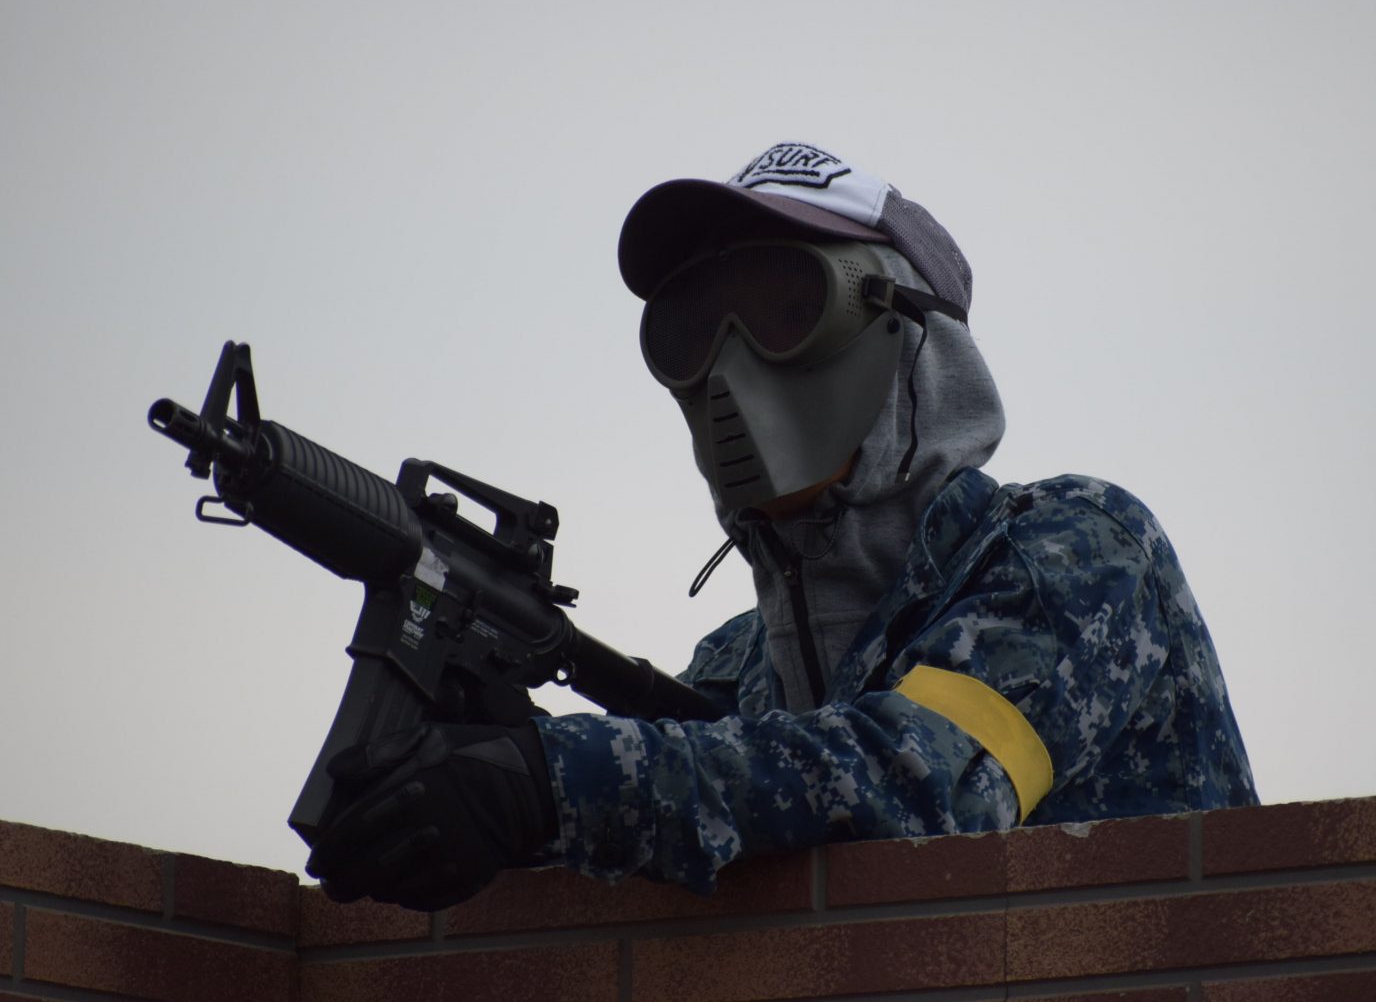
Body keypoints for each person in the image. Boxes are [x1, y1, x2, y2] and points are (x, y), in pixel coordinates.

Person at [306, 142, 1258, 910]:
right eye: (693, 329)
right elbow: (696, 817)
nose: (730, 367)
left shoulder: (1075, 550)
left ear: (916, 341)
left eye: (787, 311)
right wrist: (486, 761)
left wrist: (549, 781)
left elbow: (919, 788)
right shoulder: (740, 662)